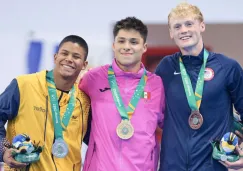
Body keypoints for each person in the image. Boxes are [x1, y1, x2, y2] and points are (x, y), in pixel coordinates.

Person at [155, 2, 243, 171]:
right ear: (171, 33)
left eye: (189, 24)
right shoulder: (165, 68)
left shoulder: (227, 67)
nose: (183, 30)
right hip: (172, 165)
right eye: (177, 26)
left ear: (202, 26)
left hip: (213, 166)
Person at [79, 17, 165, 171]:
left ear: (144, 47)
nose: (127, 47)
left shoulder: (157, 85)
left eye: (133, 42)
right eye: (121, 41)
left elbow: (173, 127)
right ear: (113, 45)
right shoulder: (93, 78)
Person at [0, 35, 90, 171]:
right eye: (64, 53)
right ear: (55, 57)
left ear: (84, 65)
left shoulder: (84, 101)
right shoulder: (23, 85)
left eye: (76, 56)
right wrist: (3, 149)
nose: (69, 59)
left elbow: (100, 139)